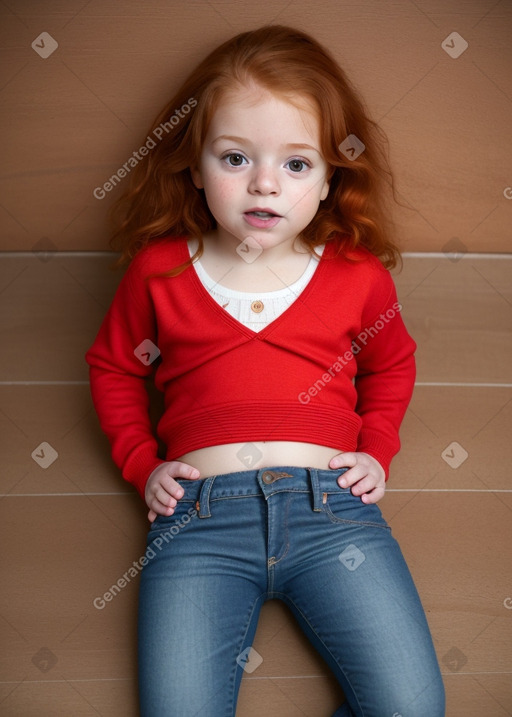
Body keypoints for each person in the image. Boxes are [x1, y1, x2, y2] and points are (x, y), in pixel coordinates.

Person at [85, 24, 445, 717]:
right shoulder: (159, 272)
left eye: (297, 164)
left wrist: (376, 448)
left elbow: (392, 362)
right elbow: (113, 368)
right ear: (193, 165)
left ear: (331, 176)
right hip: (200, 521)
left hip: (334, 510)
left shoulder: (356, 276)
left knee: (411, 708)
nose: (264, 184)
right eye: (235, 158)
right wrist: (141, 461)